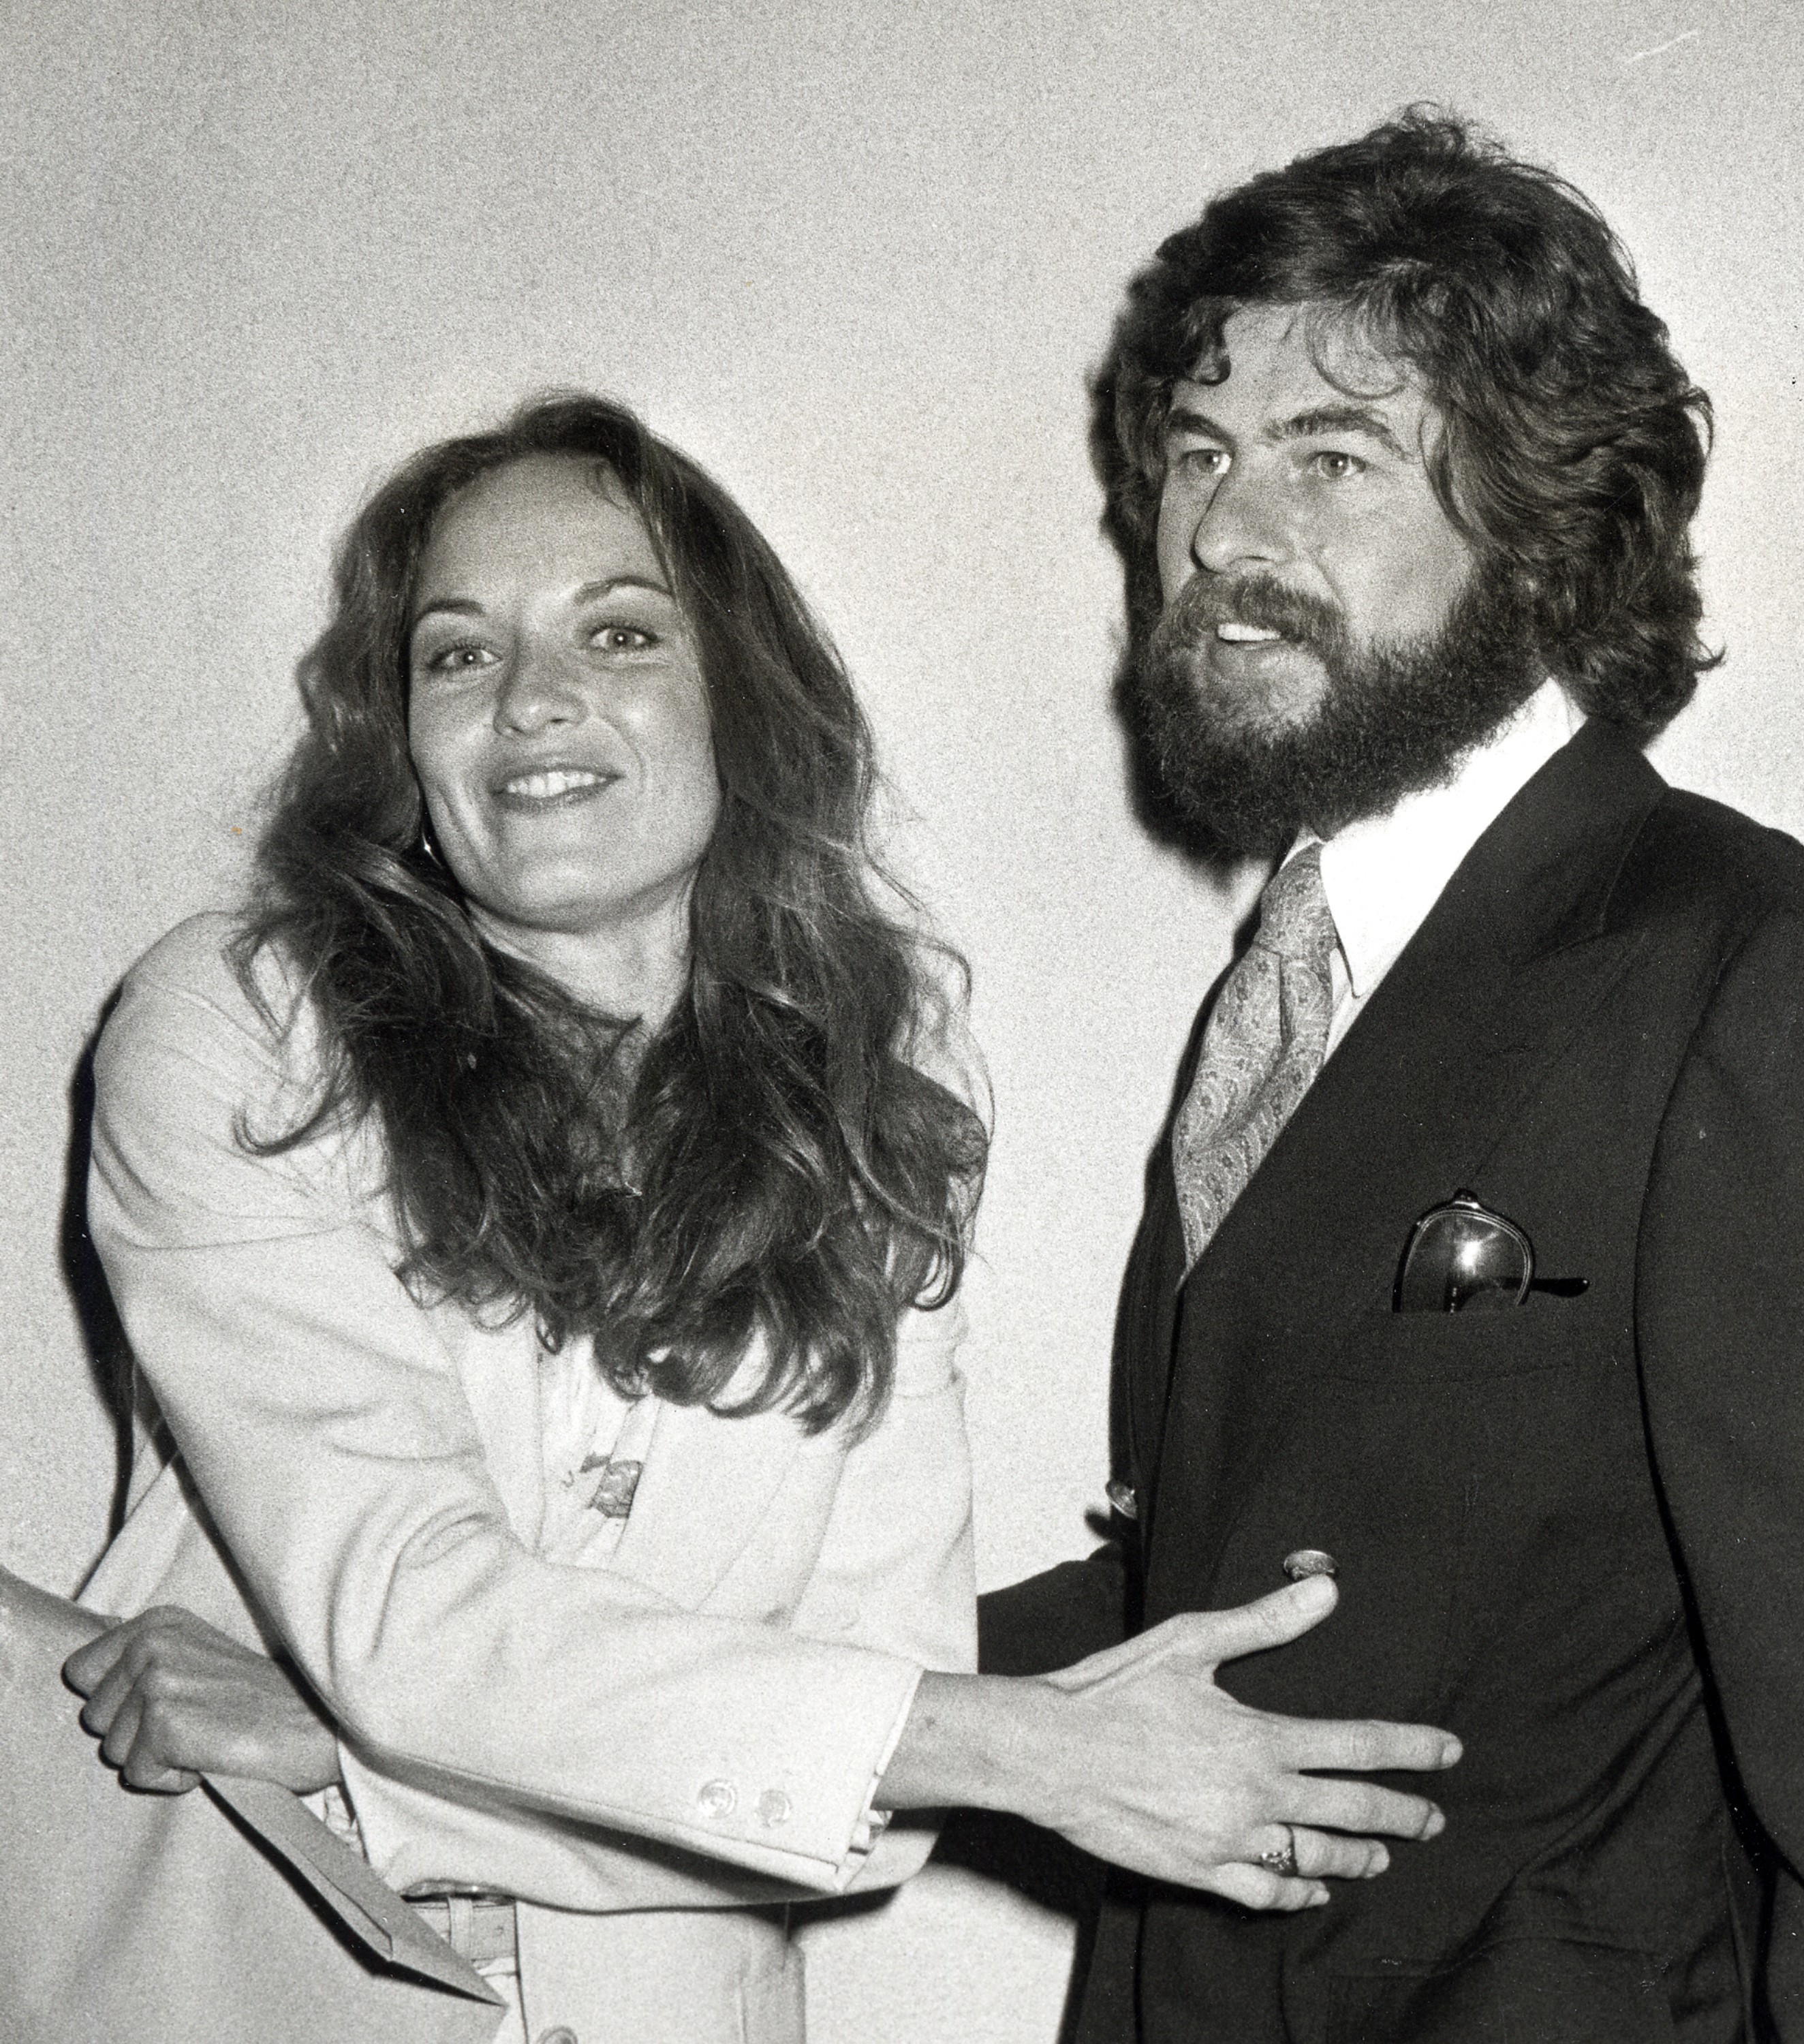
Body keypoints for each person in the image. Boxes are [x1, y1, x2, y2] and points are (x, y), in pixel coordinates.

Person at [59, 394, 1459, 2044]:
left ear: (736, 695)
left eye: (621, 631)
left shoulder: (876, 1087)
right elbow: (415, 1620)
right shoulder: (240, 1032)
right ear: (401, 740)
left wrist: (354, 1761)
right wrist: (1014, 1747)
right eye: (456, 655)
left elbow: (869, 1764)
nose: (531, 701)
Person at [980, 108, 1804, 2043]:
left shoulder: (1740, 965)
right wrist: (692, 1702)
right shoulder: (1289, 983)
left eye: (1329, 458)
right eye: (1195, 458)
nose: (1221, 535)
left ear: (1535, 529)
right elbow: (1254, 1591)